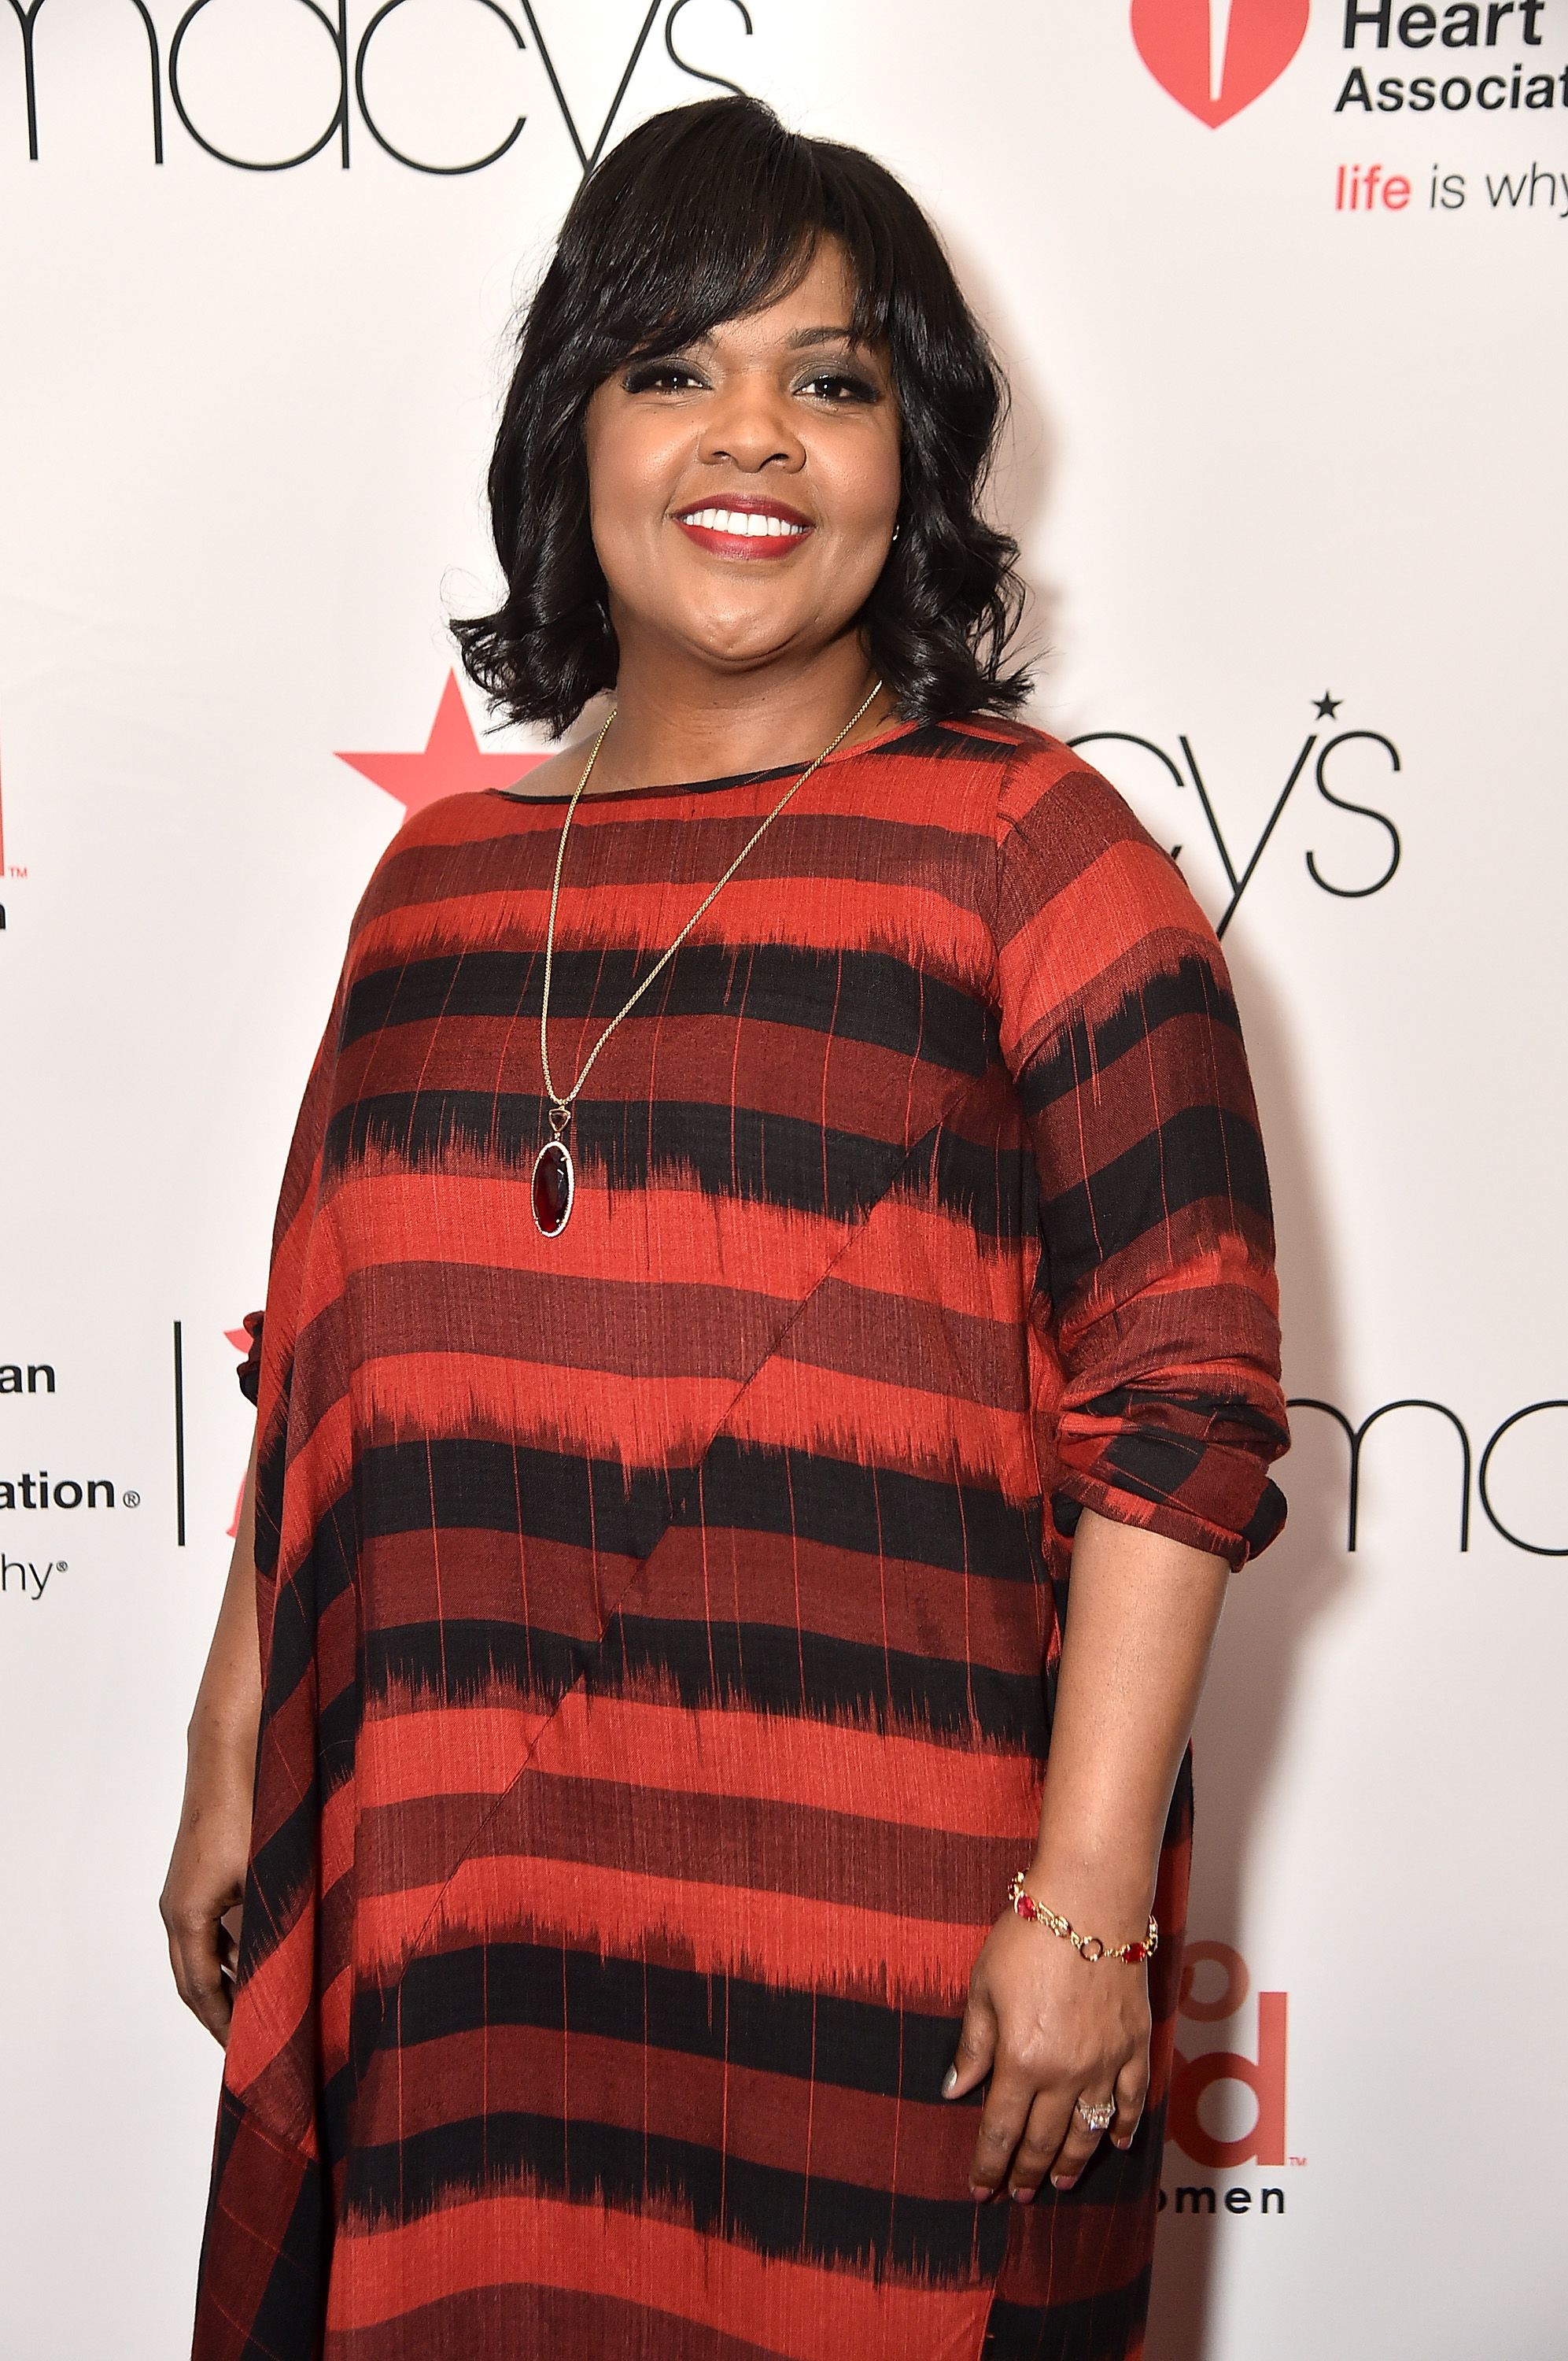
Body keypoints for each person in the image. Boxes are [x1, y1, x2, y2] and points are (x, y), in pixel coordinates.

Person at [162, 95, 1287, 2361]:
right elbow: (324, 1382)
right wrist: (228, 1758)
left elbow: (1179, 1408)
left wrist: (1086, 1916)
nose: (749, 433)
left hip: (883, 1951)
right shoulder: (435, 889)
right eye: (676, 365)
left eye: (833, 379)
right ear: (570, 430)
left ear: (915, 456)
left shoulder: (1038, 860)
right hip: (461, 1904)